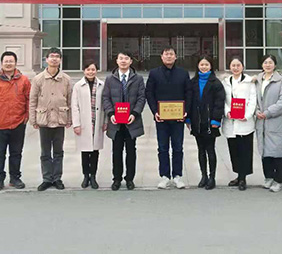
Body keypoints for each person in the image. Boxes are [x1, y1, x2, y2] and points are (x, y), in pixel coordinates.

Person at [0, 51, 31, 192]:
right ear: (2, 63)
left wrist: (27, 115)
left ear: (15, 63)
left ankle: (15, 178)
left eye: (11, 61)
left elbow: (29, 99)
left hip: (18, 122)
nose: (8, 64)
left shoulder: (24, 80)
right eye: (6, 61)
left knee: (16, 153)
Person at [146, 46, 192, 189]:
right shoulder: (154, 73)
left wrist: (186, 111)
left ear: (176, 57)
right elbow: (149, 93)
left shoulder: (183, 73)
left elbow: (189, 93)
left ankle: (177, 176)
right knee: (162, 147)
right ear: (161, 57)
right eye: (166, 54)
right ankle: (164, 176)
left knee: (178, 147)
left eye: (171, 54)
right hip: (161, 117)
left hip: (178, 118)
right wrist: (155, 111)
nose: (169, 57)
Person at [29, 48, 73, 191]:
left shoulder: (66, 79)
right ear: (46, 59)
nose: (54, 59)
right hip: (44, 119)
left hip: (60, 119)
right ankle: (47, 178)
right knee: (45, 152)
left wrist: (70, 119)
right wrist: (33, 119)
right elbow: (33, 100)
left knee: (59, 152)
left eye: (57, 56)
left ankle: (57, 178)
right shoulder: (38, 79)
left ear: (60, 59)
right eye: (51, 56)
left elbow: (70, 100)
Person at [102, 51, 146, 191]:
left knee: (131, 151)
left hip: (131, 121)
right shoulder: (110, 79)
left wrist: (135, 113)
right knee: (116, 151)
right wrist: (110, 113)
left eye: (126, 58)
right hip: (115, 121)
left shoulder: (138, 79)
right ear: (116, 60)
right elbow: (106, 98)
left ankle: (130, 179)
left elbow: (141, 98)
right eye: (121, 58)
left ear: (131, 61)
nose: (123, 61)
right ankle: (117, 179)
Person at [186, 55, 225, 190]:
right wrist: (188, 118)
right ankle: (203, 176)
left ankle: (212, 177)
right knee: (200, 150)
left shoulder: (216, 83)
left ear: (211, 66)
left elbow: (219, 103)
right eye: (202, 64)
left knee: (210, 149)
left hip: (210, 122)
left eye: (206, 64)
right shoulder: (193, 82)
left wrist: (216, 120)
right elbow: (189, 101)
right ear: (198, 66)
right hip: (197, 121)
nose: (204, 67)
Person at [255, 54, 282, 193]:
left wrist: (268, 112)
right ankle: (268, 177)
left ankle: (279, 179)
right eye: (265, 62)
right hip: (261, 121)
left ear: (275, 65)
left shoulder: (281, 82)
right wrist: (256, 111)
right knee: (265, 152)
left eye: (270, 62)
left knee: (277, 152)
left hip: (276, 121)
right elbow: (254, 98)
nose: (267, 65)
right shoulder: (258, 80)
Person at [222, 57, 257, 191]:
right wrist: (227, 112)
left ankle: (243, 177)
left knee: (245, 151)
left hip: (245, 122)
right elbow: (223, 100)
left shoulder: (249, 82)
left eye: (238, 65)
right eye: (233, 65)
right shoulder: (226, 82)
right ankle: (238, 175)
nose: (236, 68)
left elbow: (253, 100)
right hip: (231, 121)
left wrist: (247, 115)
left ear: (242, 67)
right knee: (234, 151)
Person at [71, 60, 107, 189]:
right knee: (85, 151)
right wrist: (76, 124)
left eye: (93, 69)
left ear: (96, 71)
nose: (90, 72)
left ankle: (93, 176)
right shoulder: (78, 86)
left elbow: (105, 105)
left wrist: (105, 122)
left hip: (97, 121)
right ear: (84, 71)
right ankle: (86, 176)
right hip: (84, 122)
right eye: (88, 69)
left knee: (95, 151)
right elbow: (74, 106)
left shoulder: (102, 85)